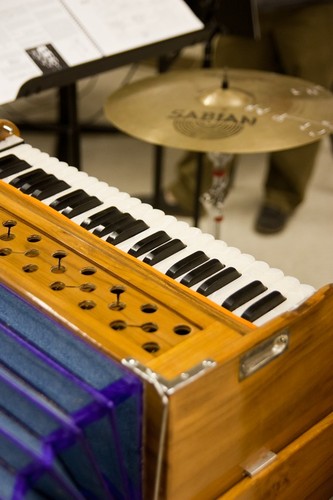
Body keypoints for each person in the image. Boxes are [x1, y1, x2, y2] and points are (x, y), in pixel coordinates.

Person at [165, 0, 333, 233]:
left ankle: (282, 197)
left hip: (314, 8)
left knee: (305, 105)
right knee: (223, 97)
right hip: (247, 7)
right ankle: (191, 190)